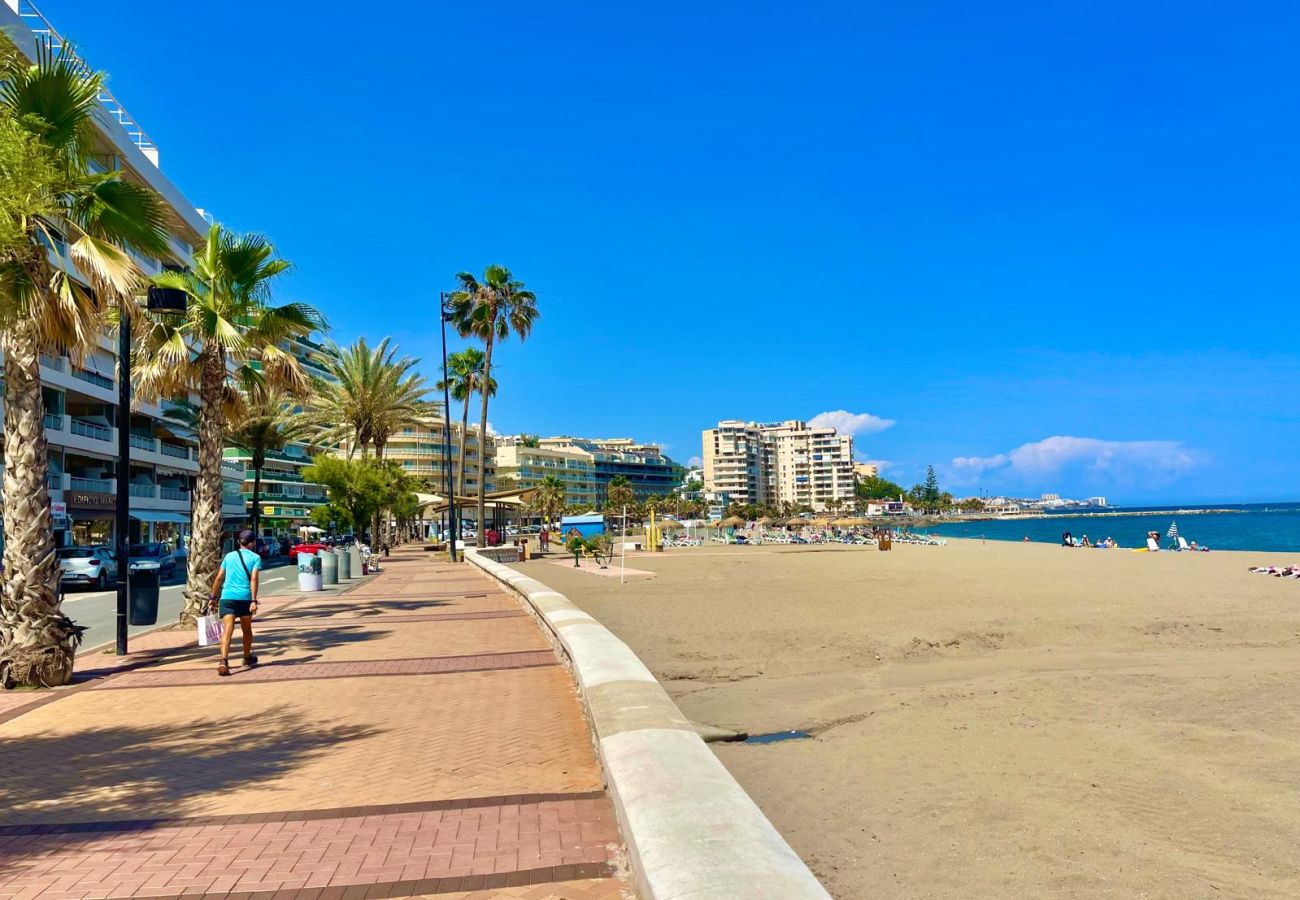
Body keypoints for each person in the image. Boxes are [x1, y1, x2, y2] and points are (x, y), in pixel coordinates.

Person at [208, 529, 262, 677]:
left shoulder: (229, 556)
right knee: (246, 629)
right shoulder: (255, 557)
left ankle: (223, 661)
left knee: (227, 630)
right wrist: (253, 600)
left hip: (227, 598)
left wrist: (213, 598)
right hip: (244, 598)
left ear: (239, 542)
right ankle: (246, 657)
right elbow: (254, 579)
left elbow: (219, 578)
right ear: (252, 543)